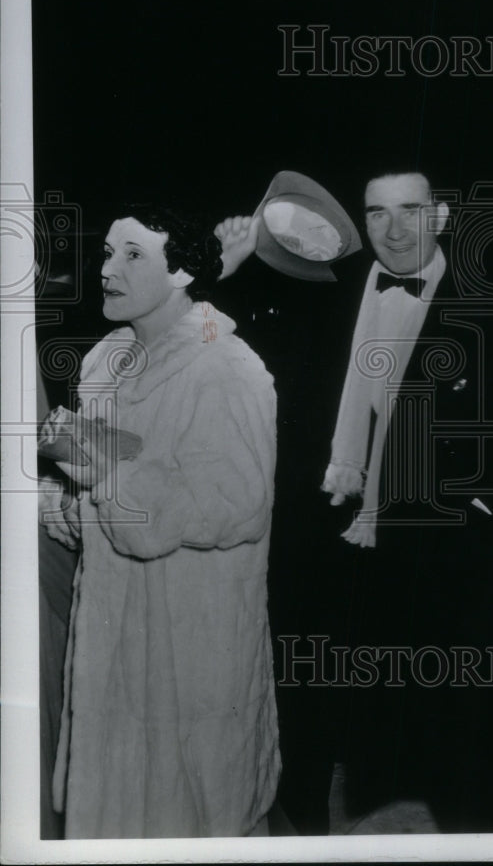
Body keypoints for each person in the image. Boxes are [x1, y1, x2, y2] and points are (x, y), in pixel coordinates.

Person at [39, 203, 279, 839]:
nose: (107, 270)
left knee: (192, 815)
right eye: (107, 253)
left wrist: (103, 479)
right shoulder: (102, 364)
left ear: (180, 273)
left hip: (190, 653)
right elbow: (103, 494)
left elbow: (236, 504)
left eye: (132, 255)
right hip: (113, 643)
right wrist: (69, 501)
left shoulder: (228, 369)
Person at [320, 172, 493, 833]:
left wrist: (480, 503)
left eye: (410, 211)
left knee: (464, 737)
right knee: (373, 719)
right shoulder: (342, 292)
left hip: (451, 541)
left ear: (440, 215)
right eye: (377, 213)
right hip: (357, 530)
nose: (393, 228)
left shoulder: (488, 298)